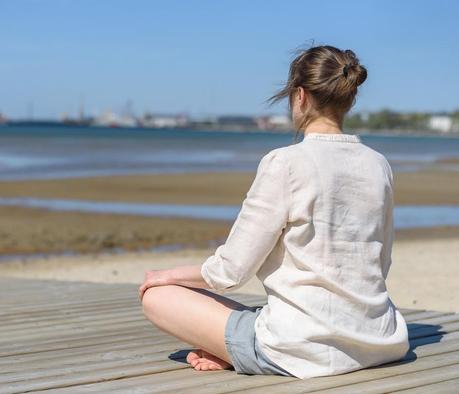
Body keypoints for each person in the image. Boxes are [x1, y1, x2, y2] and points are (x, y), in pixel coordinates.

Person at [139, 45, 409, 380]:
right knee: (260, 313)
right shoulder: (377, 164)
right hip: (379, 340)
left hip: (301, 350)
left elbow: (230, 272)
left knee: (157, 297)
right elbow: (380, 265)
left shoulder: (285, 163)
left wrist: (167, 276)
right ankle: (231, 347)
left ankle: (234, 349)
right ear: (349, 99)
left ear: (299, 96)